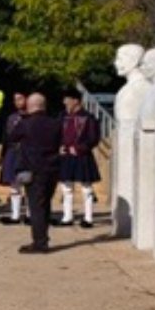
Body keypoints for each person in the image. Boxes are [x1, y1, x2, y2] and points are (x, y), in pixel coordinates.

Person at [15, 93, 64, 253]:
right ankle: (43, 237)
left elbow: (12, 136)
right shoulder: (56, 123)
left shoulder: (26, 123)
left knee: (36, 206)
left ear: (30, 106)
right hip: (52, 168)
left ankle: (39, 242)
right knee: (45, 204)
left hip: (34, 169)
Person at [57, 91, 103, 228]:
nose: (65, 103)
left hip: (82, 156)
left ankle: (88, 218)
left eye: (68, 100)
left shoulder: (88, 118)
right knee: (66, 187)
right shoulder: (61, 117)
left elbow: (94, 138)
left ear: (76, 101)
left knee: (86, 188)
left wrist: (79, 148)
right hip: (65, 155)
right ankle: (67, 217)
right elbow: (56, 134)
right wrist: (58, 147)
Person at [0, 91, 29, 224]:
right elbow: (6, 136)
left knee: (29, 184)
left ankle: (30, 214)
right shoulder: (11, 117)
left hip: (28, 152)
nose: (18, 102)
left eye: (20, 99)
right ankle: (15, 215)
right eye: (15, 100)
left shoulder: (32, 117)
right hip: (13, 151)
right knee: (14, 184)